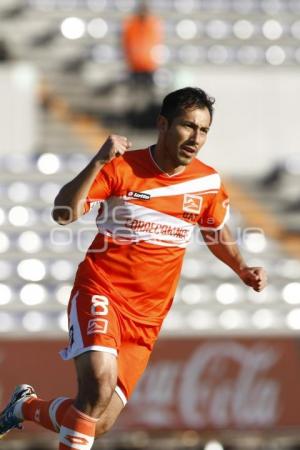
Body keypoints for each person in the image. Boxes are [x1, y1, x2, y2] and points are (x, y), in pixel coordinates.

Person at [0, 87, 267, 449]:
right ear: (162, 124)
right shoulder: (121, 168)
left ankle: (25, 407)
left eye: (203, 130)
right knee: (98, 384)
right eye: (188, 126)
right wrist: (97, 161)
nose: (196, 138)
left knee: (99, 421)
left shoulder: (207, 182)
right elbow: (62, 213)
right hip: (102, 292)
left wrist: (242, 268)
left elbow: (214, 228)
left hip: (147, 319)